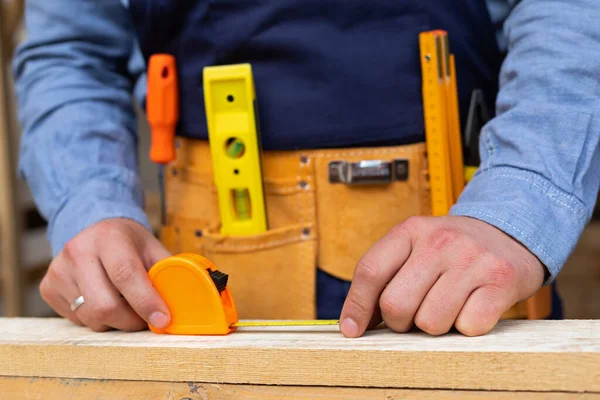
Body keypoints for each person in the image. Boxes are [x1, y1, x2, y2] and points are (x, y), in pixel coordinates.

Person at [12, 0, 599, 337]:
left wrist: (518, 208)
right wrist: (90, 210)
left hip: (464, 267)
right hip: (207, 277)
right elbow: (71, 51)